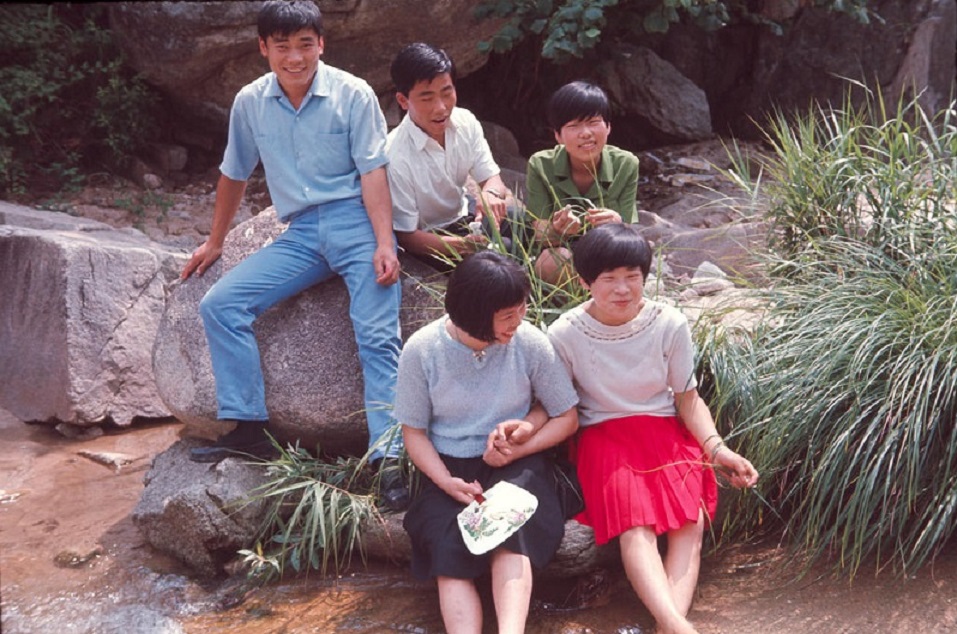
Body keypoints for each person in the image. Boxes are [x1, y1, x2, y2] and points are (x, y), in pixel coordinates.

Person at [179, 1, 408, 509]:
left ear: (321, 44)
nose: (295, 57)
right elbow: (234, 173)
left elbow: (373, 172)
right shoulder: (250, 102)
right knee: (221, 304)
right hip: (301, 232)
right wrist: (216, 241)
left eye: (305, 44)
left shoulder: (353, 93)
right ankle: (249, 428)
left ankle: (389, 455)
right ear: (264, 48)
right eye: (282, 46)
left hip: (355, 223)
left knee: (376, 335)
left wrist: (383, 242)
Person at [547, 224, 759, 634]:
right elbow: (560, 408)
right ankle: (678, 626)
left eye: (633, 276)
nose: (622, 288)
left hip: (664, 430)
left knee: (690, 523)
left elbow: (687, 398)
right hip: (603, 436)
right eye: (609, 278)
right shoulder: (564, 333)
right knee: (634, 524)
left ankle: (668, 627)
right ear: (584, 282)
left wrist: (718, 450)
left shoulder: (669, 322)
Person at [395, 251, 579, 634]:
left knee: (511, 528)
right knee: (447, 545)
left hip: (517, 463)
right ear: (475, 314)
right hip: (449, 467)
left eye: (521, 308)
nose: (519, 320)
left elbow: (566, 415)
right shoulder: (422, 350)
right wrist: (445, 481)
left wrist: (522, 443)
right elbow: (414, 433)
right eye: (507, 315)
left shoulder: (529, 342)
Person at [386, 42, 515, 271]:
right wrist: (464, 246)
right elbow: (407, 236)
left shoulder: (465, 121)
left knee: (519, 220)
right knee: (500, 253)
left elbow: (491, 178)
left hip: (466, 216)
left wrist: (491, 195)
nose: (441, 107)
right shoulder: (394, 155)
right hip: (430, 239)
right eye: (427, 98)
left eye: (447, 93)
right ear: (403, 101)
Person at [524, 80, 640, 286]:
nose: (585, 133)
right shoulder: (540, 165)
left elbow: (629, 233)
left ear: (608, 127)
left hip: (605, 256)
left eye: (594, 122)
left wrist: (617, 223)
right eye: (573, 126)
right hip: (560, 254)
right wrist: (558, 229)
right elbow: (540, 234)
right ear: (558, 135)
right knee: (552, 260)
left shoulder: (626, 164)